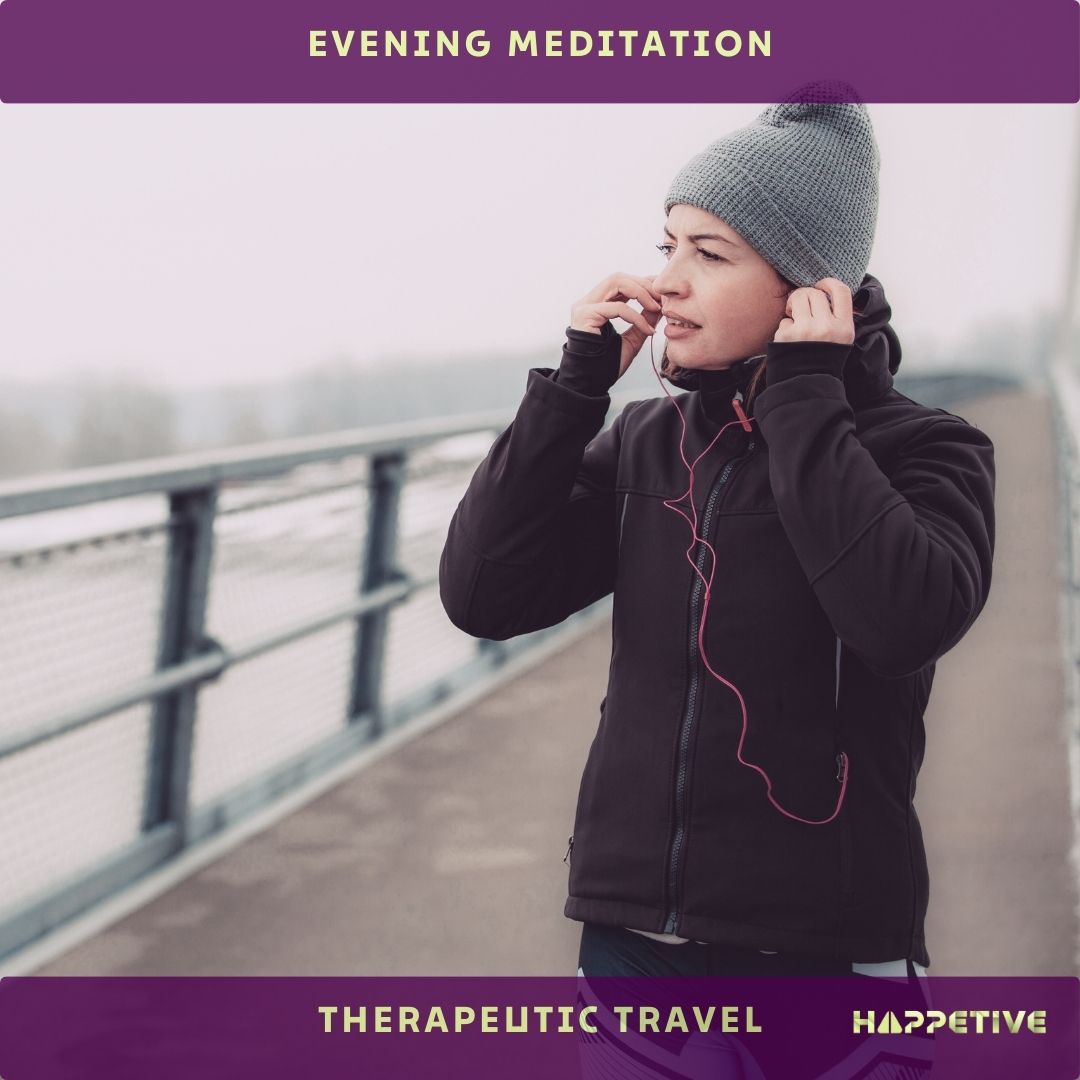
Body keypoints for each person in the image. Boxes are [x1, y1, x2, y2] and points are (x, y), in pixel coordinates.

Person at [438, 79, 995, 1076]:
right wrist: (573, 390)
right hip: (634, 940)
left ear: (809, 287)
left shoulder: (928, 451)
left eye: (710, 253)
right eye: (667, 247)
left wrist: (809, 398)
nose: (668, 284)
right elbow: (486, 593)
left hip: (827, 951)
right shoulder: (649, 441)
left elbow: (902, 620)